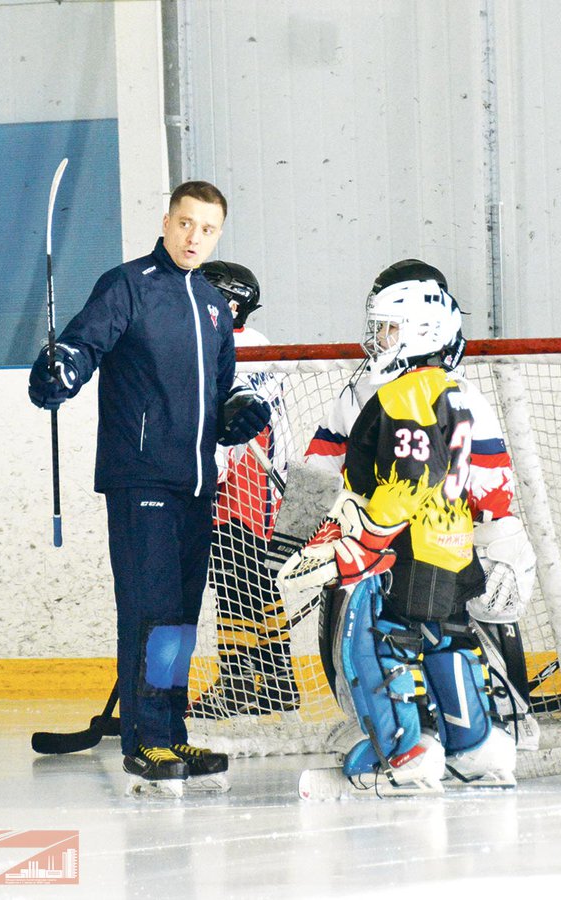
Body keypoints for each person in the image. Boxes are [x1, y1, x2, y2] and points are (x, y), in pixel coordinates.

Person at [27, 181, 270, 794]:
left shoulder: (215, 305)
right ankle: (144, 741)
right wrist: (61, 369)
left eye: (207, 229)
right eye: (186, 224)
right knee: (151, 611)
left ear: (219, 235)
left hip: (195, 484)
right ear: (166, 222)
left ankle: (171, 729)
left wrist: (237, 412)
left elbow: (219, 393)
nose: (194, 237)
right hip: (141, 480)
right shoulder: (129, 284)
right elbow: (83, 345)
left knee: (182, 620)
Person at [279, 276, 532, 796]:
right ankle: (476, 747)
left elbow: (411, 477)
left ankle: (402, 752)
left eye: (389, 328)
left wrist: (367, 538)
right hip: (451, 544)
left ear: (421, 331)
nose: (378, 338)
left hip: (402, 547)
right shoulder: (452, 390)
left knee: (376, 640)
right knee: (449, 639)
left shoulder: (404, 392)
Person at [190, 260, 300, 718]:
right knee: (255, 579)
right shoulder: (256, 346)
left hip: (241, 476)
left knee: (233, 579)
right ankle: (278, 679)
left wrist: (203, 478)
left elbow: (226, 422)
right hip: (264, 477)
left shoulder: (230, 345)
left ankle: (238, 682)